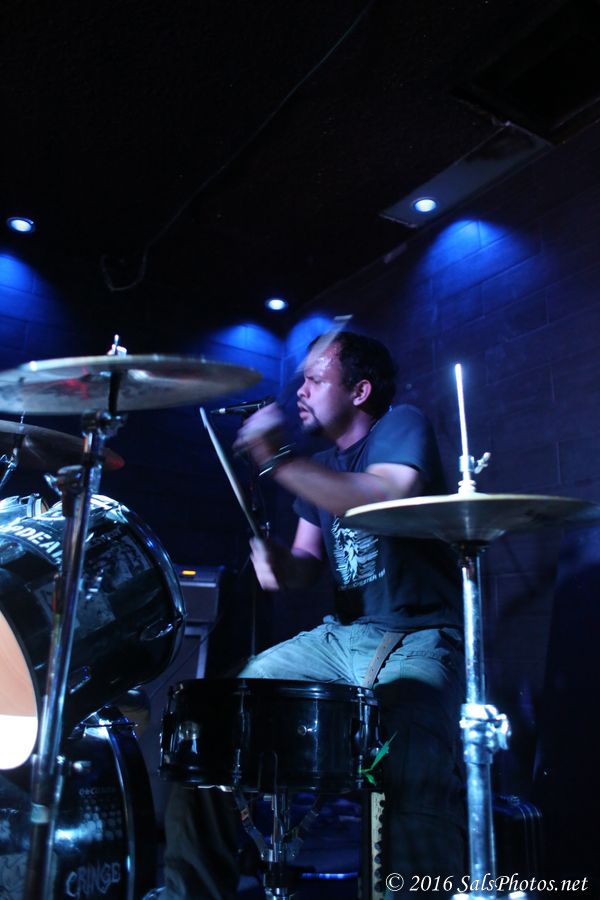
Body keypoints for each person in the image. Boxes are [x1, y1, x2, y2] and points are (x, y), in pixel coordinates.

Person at [162, 331, 466, 899]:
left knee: (409, 757)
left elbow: (382, 494)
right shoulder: (320, 465)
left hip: (420, 635)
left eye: (315, 379)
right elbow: (305, 565)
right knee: (212, 726)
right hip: (342, 638)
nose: (300, 390)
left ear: (359, 391)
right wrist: (279, 562)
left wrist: (277, 457)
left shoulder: (400, 426)